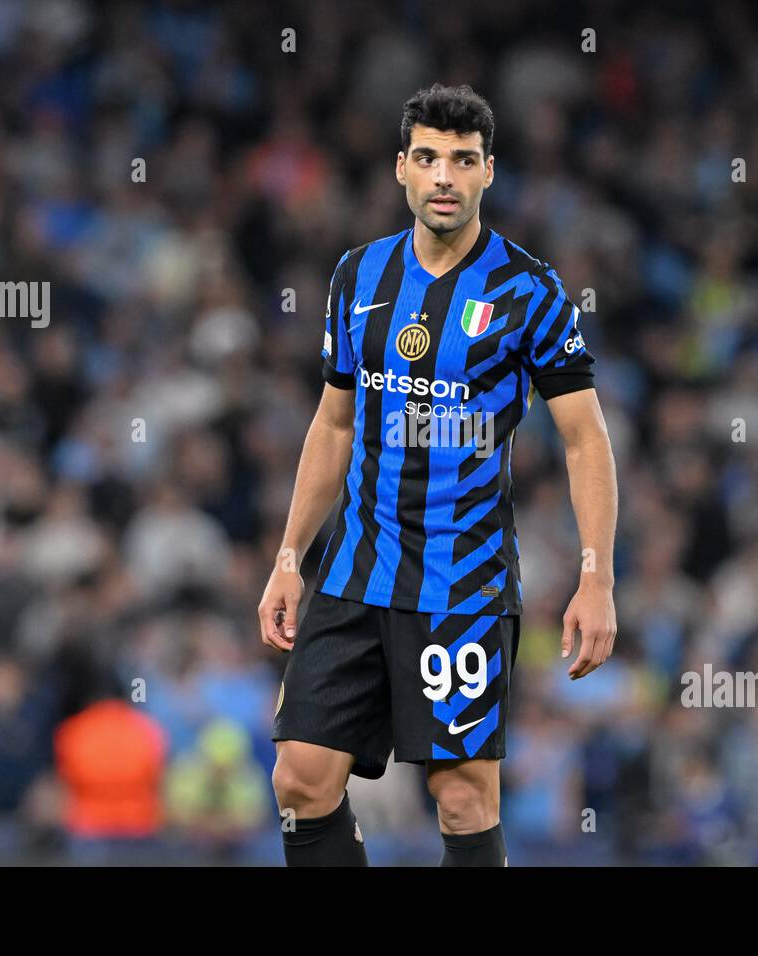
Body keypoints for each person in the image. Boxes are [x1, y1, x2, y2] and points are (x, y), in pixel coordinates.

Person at [258, 83, 618, 867]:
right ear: (401, 170)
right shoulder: (359, 277)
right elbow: (334, 423)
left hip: (464, 584)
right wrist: (290, 556)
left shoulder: (530, 291)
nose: (445, 176)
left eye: (463, 160)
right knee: (300, 778)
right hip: (355, 571)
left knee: (462, 798)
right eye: (428, 158)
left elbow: (587, 441)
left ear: (489, 171)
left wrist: (596, 578)